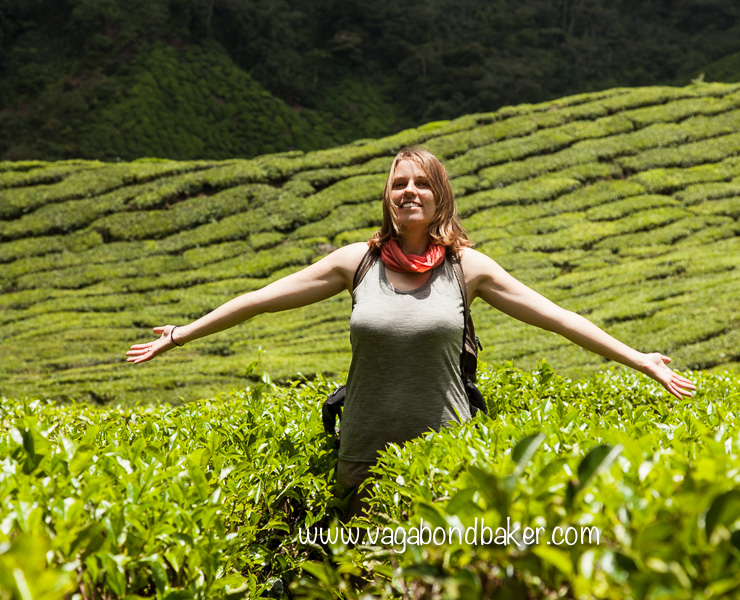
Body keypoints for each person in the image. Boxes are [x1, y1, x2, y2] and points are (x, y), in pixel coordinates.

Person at [127, 146, 696, 518]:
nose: (409, 192)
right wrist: (180, 334)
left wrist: (639, 359)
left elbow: (561, 320)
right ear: (388, 198)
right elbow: (258, 301)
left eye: (421, 184)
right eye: (399, 184)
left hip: (446, 458)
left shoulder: (468, 268)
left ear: (439, 196)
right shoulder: (358, 262)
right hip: (361, 454)